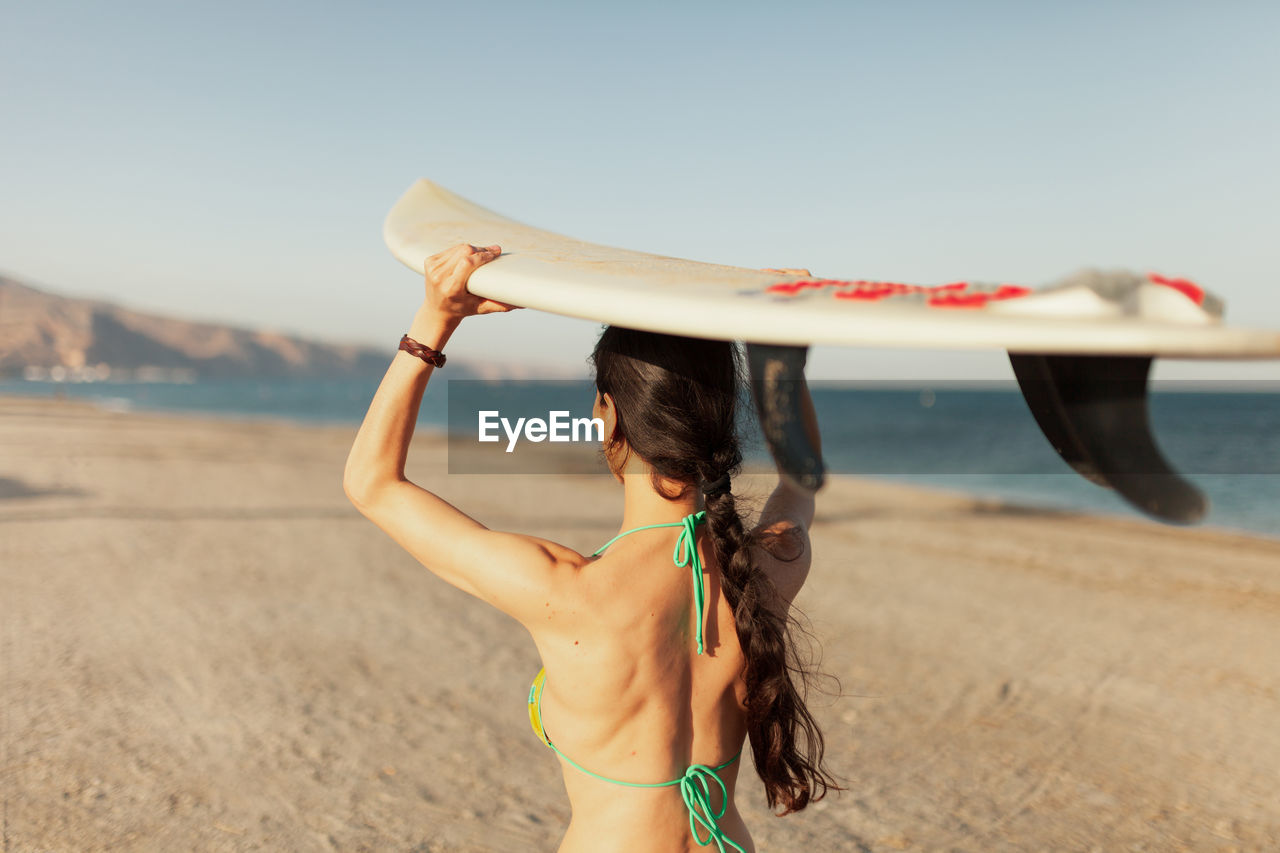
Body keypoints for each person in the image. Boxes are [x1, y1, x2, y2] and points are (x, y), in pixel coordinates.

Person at [344, 243, 838, 852]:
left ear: (607, 417)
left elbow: (372, 483)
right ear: (720, 426)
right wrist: (782, 361)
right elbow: (801, 481)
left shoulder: (562, 588)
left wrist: (436, 319)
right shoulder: (766, 568)